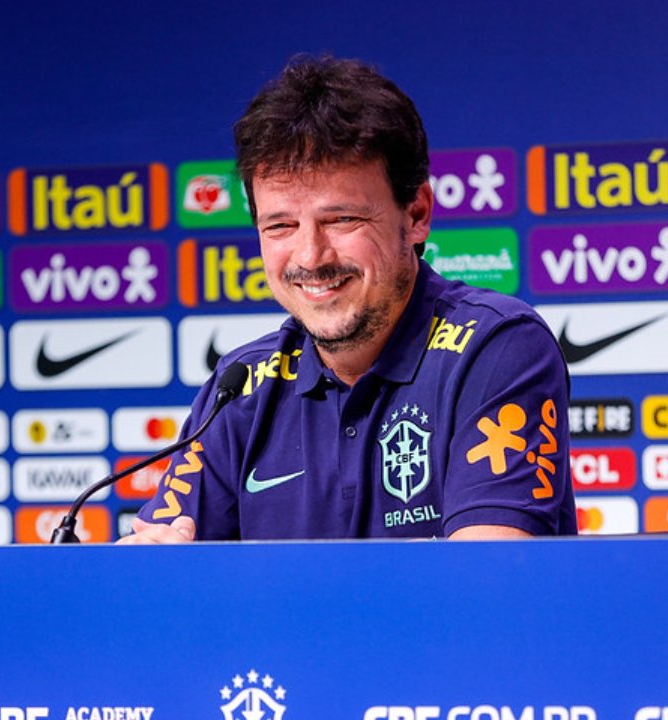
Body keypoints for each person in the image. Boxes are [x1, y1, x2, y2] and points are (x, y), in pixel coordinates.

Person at [123, 55, 576, 543]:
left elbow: (486, 586)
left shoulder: (496, 348)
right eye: (280, 226)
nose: (310, 256)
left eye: (341, 220)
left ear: (417, 213)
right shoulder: (239, 389)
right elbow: (162, 572)